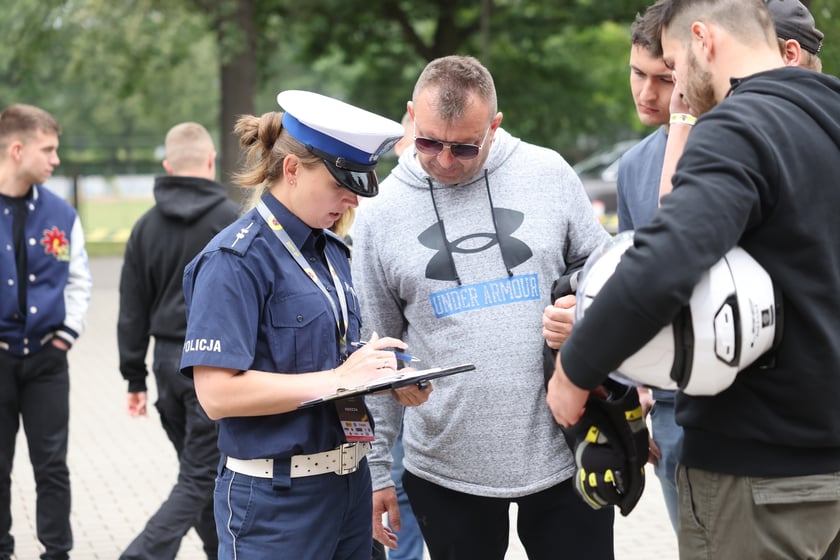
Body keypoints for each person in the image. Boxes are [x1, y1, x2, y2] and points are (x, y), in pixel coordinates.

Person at [547, 1, 840, 558]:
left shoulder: (738, 126)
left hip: (759, 473)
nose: (676, 87)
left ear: (703, 40)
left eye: (675, 64)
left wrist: (575, 369)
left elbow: (666, 259)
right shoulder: (829, 111)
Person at [351, 55, 614, 560]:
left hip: (566, 449)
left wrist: (581, 305)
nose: (445, 161)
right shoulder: (379, 214)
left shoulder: (548, 172)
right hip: (445, 466)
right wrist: (377, 468)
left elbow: (604, 267)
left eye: (465, 147)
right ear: (411, 116)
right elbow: (375, 350)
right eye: (429, 142)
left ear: (495, 125)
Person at [179, 89, 431, 560]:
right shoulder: (234, 261)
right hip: (277, 501)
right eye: (340, 183)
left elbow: (332, 351)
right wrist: (338, 378)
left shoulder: (331, 251)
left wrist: (387, 373)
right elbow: (216, 396)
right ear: (292, 170)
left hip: (348, 489)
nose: (352, 197)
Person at [116, 122, 240, 559]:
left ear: (168, 166)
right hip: (215, 365)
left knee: (197, 473)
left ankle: (216, 550)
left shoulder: (144, 227)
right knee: (200, 475)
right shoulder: (232, 222)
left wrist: (134, 378)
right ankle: (143, 554)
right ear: (211, 161)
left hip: (166, 364)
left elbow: (131, 308)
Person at [0, 104, 92, 560]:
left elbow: (79, 280)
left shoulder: (61, 214)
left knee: (51, 465)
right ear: (17, 149)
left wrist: (65, 337)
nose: (56, 159)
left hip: (46, 360)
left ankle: (57, 551)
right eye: (48, 149)